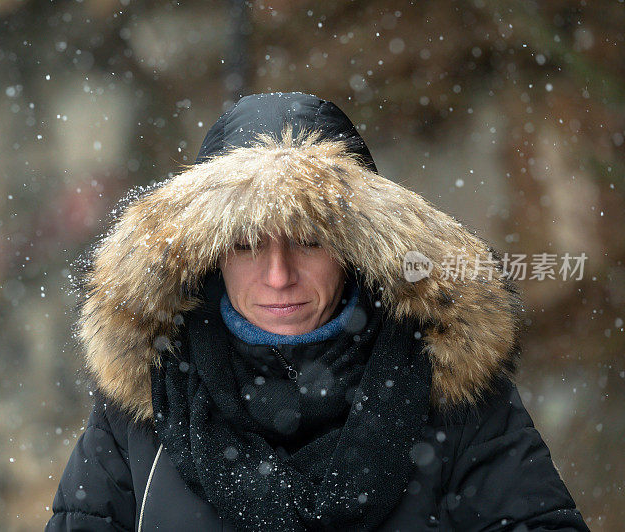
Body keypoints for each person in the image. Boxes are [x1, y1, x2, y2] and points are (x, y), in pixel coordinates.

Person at [46, 92, 588, 531]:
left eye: (309, 240)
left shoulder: (453, 394)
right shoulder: (145, 406)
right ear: (208, 254)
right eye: (247, 243)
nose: (279, 274)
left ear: (356, 247)